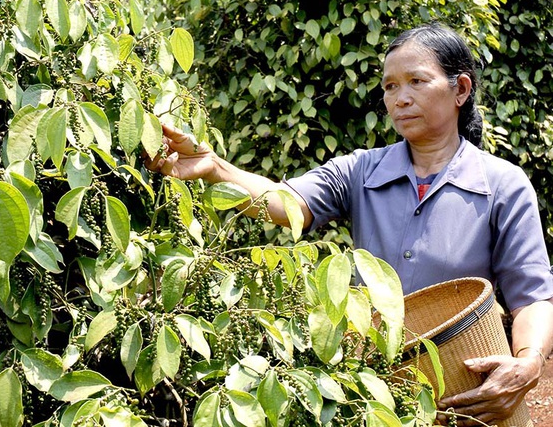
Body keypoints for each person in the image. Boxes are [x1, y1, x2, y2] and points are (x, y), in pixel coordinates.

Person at [145, 23, 553, 426]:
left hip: (467, 389)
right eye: (390, 87)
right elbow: (286, 203)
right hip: (377, 390)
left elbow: (532, 296)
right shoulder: (360, 170)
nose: (400, 98)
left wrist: (527, 363)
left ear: (460, 89)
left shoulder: (502, 185)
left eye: (416, 81)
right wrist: (213, 166)